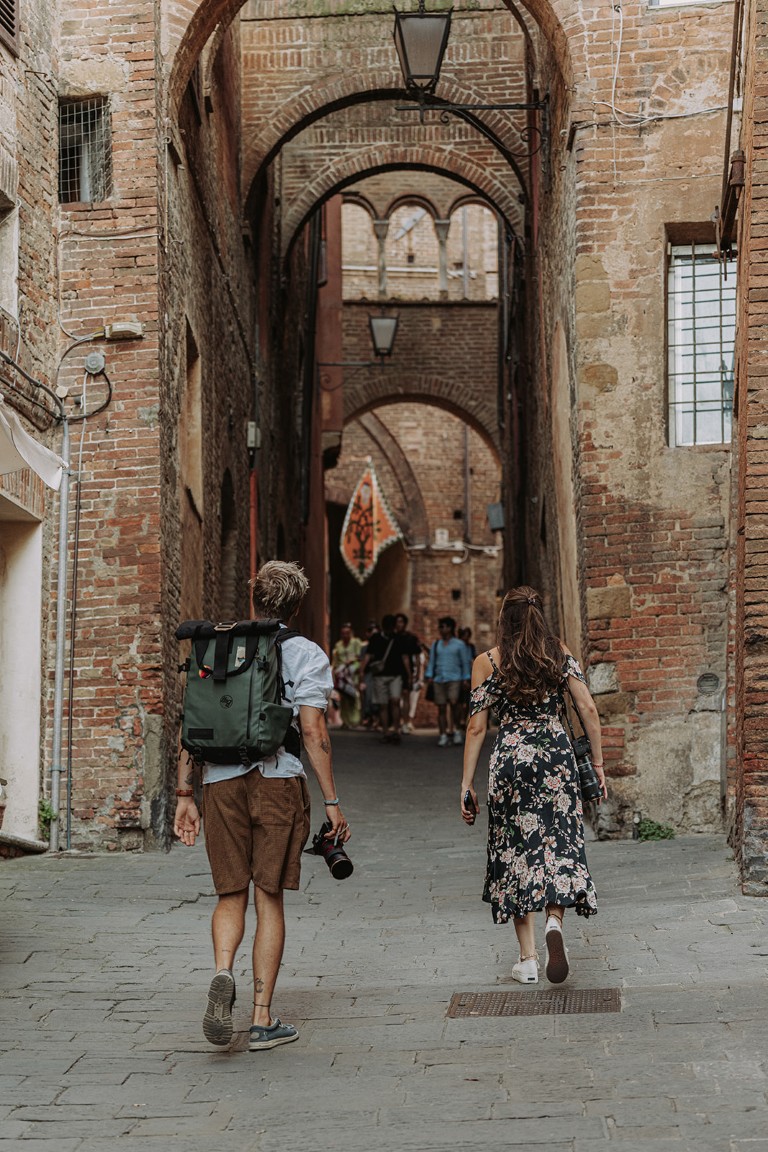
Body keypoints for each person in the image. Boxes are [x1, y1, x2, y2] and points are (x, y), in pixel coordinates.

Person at [173, 561, 351, 1052]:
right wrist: (332, 802)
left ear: (253, 598)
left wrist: (185, 795)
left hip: (220, 782)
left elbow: (193, 724)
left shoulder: (215, 646)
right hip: (278, 780)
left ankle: (222, 971)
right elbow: (313, 732)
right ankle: (261, 1018)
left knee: (230, 894)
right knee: (268, 895)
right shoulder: (305, 653)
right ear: (295, 606)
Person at [460, 586, 606, 986]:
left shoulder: (487, 662)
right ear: (540, 616)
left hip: (511, 760)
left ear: (504, 618)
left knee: (514, 851)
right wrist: (597, 762)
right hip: (556, 757)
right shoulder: (558, 653)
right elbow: (588, 707)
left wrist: (466, 783)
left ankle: (526, 960)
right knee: (560, 841)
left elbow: (476, 726)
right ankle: (554, 922)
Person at [358, 613, 411, 743]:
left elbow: (368, 657)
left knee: (390, 703)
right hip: (386, 676)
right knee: (390, 703)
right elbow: (405, 659)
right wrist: (409, 675)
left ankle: (391, 730)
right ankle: (390, 731)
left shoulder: (395, 638)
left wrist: (361, 672)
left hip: (390, 676)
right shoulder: (380, 638)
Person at [424, 616, 472, 746]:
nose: (441, 629)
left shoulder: (459, 645)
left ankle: (456, 730)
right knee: (441, 708)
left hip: (454, 678)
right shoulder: (436, 644)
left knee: (454, 703)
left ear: (450, 628)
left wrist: (466, 678)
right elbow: (432, 662)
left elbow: (465, 663)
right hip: (439, 678)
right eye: (440, 627)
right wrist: (429, 676)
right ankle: (443, 734)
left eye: (443, 626)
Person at [394, 612, 422, 734]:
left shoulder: (411, 638)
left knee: (406, 698)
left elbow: (417, 656)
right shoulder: (392, 638)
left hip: (406, 672)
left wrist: (415, 673)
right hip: (393, 671)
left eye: (401, 622)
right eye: (397, 622)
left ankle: (405, 722)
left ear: (405, 623)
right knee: (395, 699)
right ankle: (397, 724)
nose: (398, 624)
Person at [331, 622, 363, 728]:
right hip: (342, 675)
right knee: (344, 697)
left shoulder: (356, 643)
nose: (345, 636)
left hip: (353, 673)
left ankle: (354, 720)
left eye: (347, 633)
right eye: (343, 633)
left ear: (351, 633)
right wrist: (334, 672)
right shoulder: (338, 645)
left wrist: (352, 661)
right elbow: (335, 661)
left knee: (353, 696)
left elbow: (360, 657)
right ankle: (345, 721)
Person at [455, 627, 477, 732]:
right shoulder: (457, 646)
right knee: (458, 701)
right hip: (457, 676)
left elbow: (474, 659)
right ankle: (458, 721)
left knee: (468, 700)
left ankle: (463, 720)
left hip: (469, 675)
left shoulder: (470, 647)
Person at [359, 620, 380, 728]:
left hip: (379, 674)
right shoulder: (364, 648)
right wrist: (361, 677)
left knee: (377, 698)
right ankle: (370, 718)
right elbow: (362, 662)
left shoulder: (381, 646)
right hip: (368, 674)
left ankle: (376, 718)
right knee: (368, 697)